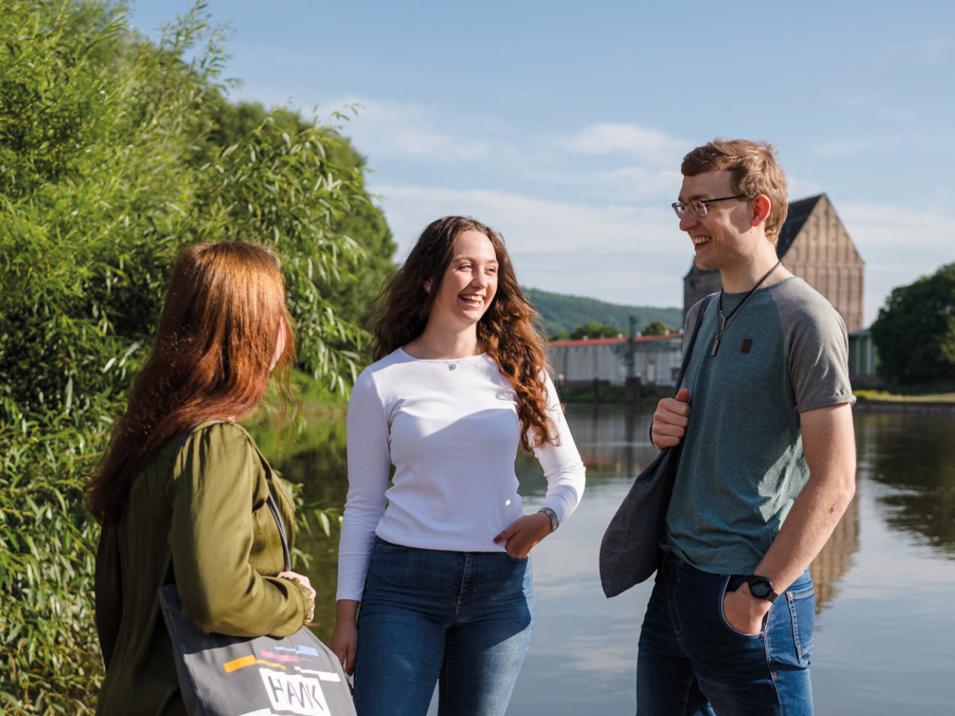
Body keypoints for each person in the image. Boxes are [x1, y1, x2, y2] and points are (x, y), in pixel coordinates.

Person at [330, 216, 586, 716]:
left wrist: (547, 519)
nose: (480, 282)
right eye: (465, 266)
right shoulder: (381, 381)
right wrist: (346, 617)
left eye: (490, 269)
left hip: (499, 587)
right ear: (429, 277)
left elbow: (569, 473)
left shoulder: (520, 371)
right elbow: (361, 506)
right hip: (402, 585)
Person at [639, 139, 857, 715]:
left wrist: (758, 593)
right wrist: (666, 429)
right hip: (675, 585)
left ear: (758, 209)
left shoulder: (807, 319)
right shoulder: (701, 313)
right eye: (681, 206)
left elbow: (836, 481)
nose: (687, 223)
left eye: (701, 205)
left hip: (748, 590)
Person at [89, 241, 317, 715]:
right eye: (277, 311)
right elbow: (219, 597)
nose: (285, 327)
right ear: (249, 327)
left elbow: (113, 607)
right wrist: (293, 600)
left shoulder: (146, 446)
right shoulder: (216, 447)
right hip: (193, 700)